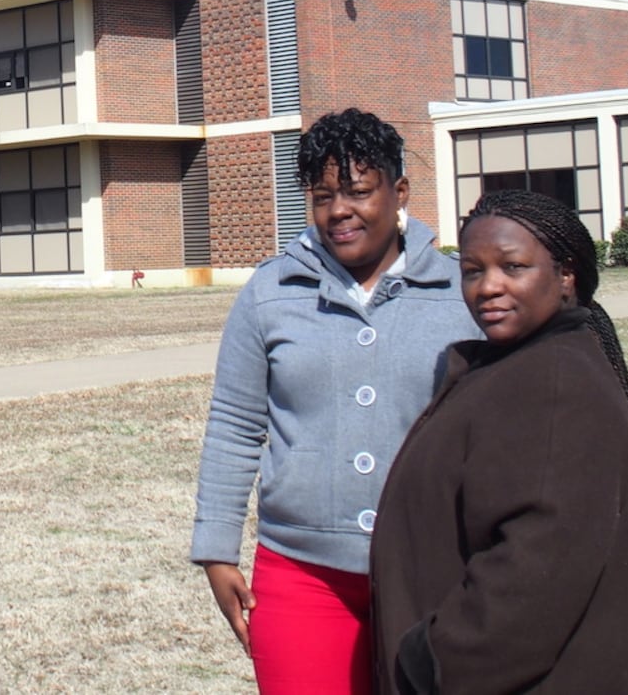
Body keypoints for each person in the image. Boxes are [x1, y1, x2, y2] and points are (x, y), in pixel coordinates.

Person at [191, 108, 481, 694]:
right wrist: (216, 550)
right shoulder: (271, 291)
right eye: (322, 196)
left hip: (434, 568)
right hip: (302, 574)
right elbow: (235, 425)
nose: (338, 211)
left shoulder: (462, 293)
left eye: (357, 191)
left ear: (398, 192)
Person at [370, 189, 628, 694]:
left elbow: (537, 570)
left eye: (513, 267)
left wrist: (433, 658)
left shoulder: (556, 383)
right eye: (472, 270)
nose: (488, 286)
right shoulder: (515, 366)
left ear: (566, 276)